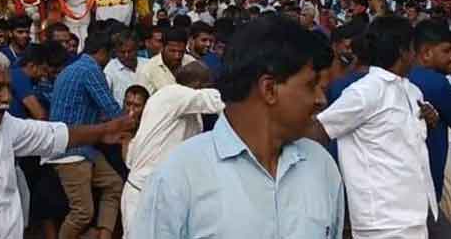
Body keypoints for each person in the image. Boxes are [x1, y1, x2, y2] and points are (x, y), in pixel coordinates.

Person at [133, 16, 343, 239]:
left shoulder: (321, 168)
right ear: (269, 89)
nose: (320, 100)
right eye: (311, 86)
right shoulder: (180, 176)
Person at [0, 44, 134, 239]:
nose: (7, 97)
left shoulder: (4, 124)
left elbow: (53, 135)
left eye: (8, 88)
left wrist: (104, 130)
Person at [314, 16, 437, 239]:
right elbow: (320, 129)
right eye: (413, 48)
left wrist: (430, 118)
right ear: (403, 51)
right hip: (381, 223)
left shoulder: (412, 91)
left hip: (416, 215)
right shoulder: (364, 92)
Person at [121, 62, 224, 236]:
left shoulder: (175, 102)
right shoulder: (174, 95)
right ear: (198, 86)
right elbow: (217, 100)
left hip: (159, 191)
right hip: (142, 193)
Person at [48, 30, 126, 239]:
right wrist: (133, 123)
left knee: (114, 185)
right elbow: (111, 108)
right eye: (111, 55)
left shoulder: (72, 68)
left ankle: (103, 235)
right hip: (72, 150)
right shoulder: (90, 69)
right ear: (103, 52)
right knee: (82, 212)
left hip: (80, 145)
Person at [408, 20, 451, 236]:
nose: (450, 57)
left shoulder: (404, 78)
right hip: (429, 184)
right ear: (426, 52)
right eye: (446, 50)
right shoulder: (436, 82)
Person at [135, 28, 193, 94]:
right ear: (163, 47)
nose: (177, 56)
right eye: (172, 51)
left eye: (181, 52)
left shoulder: (191, 63)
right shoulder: (148, 69)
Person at [104, 31, 148, 106]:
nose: (126, 55)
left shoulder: (147, 64)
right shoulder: (110, 69)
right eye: (122, 52)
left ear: (137, 49)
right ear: (116, 51)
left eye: (130, 52)